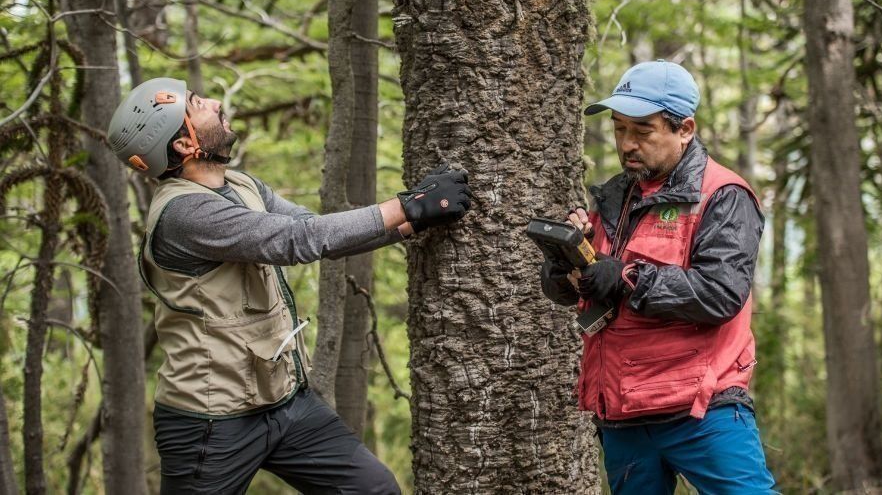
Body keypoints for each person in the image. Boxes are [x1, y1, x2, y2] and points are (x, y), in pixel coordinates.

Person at [106, 77, 471, 494]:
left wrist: (411, 222)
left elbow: (315, 232)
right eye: (196, 103)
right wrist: (407, 203)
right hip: (210, 423)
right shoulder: (183, 215)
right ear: (185, 146)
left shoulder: (243, 185)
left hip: (284, 403)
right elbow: (296, 243)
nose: (213, 101)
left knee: (373, 489)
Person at [540, 60, 777, 493]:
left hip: (703, 412)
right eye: (618, 129)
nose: (627, 144)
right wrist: (565, 266)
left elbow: (720, 294)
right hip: (622, 414)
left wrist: (627, 277)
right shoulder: (614, 196)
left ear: (684, 129)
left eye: (642, 130)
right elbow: (585, 290)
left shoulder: (723, 195)